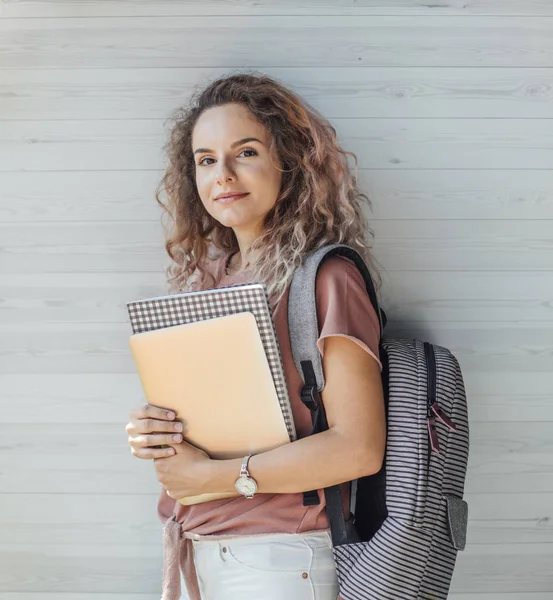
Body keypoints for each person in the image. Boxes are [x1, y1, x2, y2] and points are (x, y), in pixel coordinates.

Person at [125, 72, 386, 600]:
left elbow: (359, 448)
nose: (222, 174)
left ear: (288, 161)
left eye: (244, 152)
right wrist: (155, 433)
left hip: (279, 559)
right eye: (205, 160)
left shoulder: (327, 278)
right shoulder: (205, 281)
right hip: (199, 550)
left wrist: (219, 478)